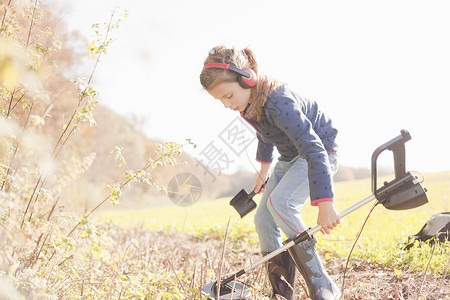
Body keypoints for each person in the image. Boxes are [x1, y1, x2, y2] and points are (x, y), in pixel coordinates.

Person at [199, 45, 341, 300]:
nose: (226, 105)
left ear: (247, 78)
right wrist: (264, 172)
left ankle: (323, 284)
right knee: (263, 219)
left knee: (281, 204)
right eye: (220, 100)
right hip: (289, 158)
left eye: (228, 96)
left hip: (319, 153)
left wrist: (325, 203)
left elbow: (315, 149)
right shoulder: (247, 105)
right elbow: (265, 134)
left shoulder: (280, 101)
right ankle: (281, 290)